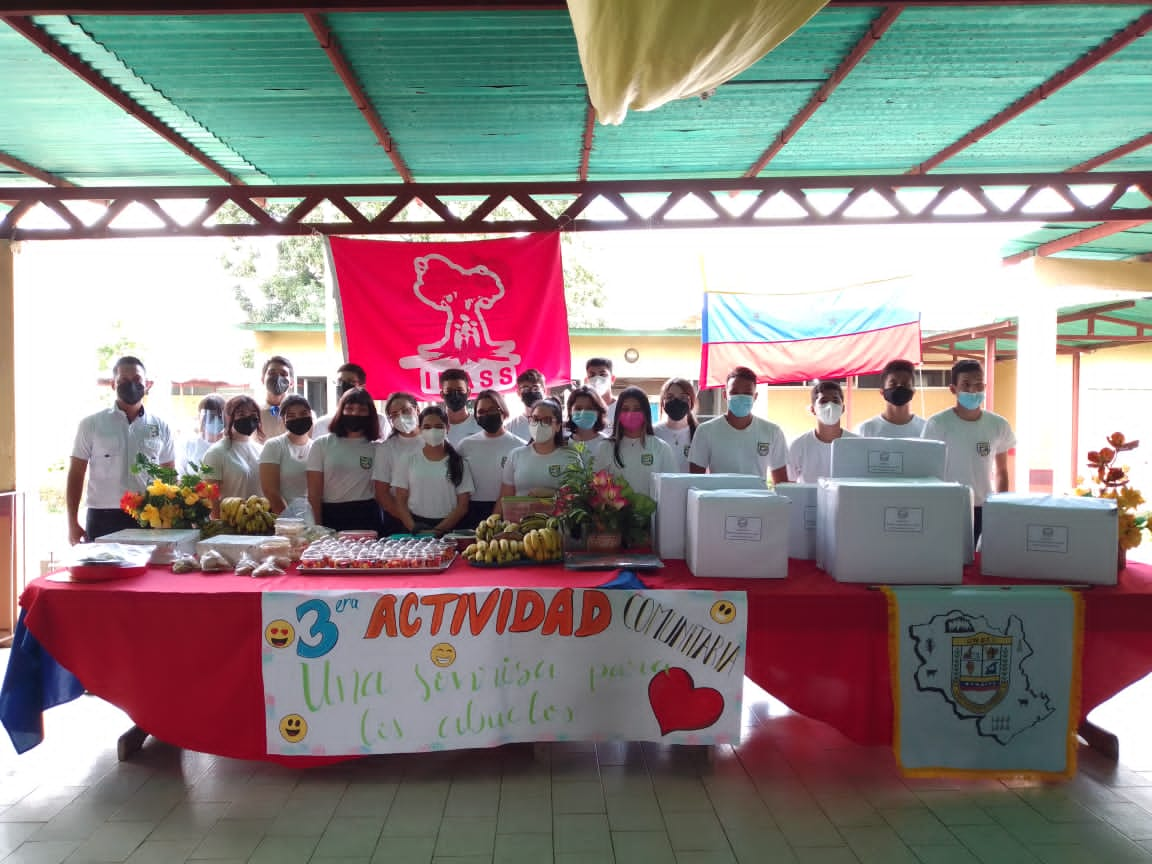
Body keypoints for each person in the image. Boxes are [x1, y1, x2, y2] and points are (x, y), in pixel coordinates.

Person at [67, 355, 175, 544]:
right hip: (102, 518)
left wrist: (174, 516)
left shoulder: (161, 427)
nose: (131, 385)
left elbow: (170, 475)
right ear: (113, 384)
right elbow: (76, 474)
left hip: (149, 516)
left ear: (148, 384)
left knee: (149, 573)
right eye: (124, 380)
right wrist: (72, 523)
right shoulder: (91, 424)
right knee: (102, 572)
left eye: (137, 380)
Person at [922, 359, 1015, 542]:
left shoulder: (998, 424)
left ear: (985, 386)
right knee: (950, 560)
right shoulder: (938, 424)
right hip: (948, 506)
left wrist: (1001, 506)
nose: (973, 390)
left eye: (978, 384)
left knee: (981, 562)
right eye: (966, 384)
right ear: (953, 389)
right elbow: (928, 470)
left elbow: (1002, 471)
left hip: (984, 507)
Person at [687, 366, 788, 483]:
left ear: (755, 397)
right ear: (725, 395)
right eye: (734, 392)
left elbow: (782, 484)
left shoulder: (772, 431)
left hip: (758, 500)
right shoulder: (705, 431)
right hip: (719, 500)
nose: (740, 397)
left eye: (747, 393)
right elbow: (695, 481)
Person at [306, 387, 383, 534]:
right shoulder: (322, 444)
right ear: (341, 411)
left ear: (370, 414)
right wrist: (317, 527)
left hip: (367, 516)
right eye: (350, 408)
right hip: (331, 514)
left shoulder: (377, 448)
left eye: (362, 409)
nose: (355, 413)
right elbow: (314, 493)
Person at [392, 405, 475, 535]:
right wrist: (414, 528)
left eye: (438, 426)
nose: (433, 431)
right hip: (415, 527)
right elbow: (400, 501)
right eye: (427, 427)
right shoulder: (407, 459)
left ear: (447, 428)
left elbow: (462, 507)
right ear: (420, 429)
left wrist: (436, 531)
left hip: (449, 528)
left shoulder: (459, 463)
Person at [458, 389, 525, 528]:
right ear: (476, 416)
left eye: (492, 409)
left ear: (503, 411)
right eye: (481, 412)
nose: (487, 414)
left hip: (507, 510)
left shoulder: (519, 446)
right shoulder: (465, 445)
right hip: (472, 511)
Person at [593, 386, 677, 497]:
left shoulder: (661, 448)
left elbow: (671, 489)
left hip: (652, 514)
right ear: (618, 413)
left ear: (646, 413)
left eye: (637, 409)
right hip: (615, 513)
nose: (630, 414)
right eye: (625, 409)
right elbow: (597, 488)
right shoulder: (605, 447)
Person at [497, 398, 575, 510]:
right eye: (535, 419)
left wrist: (552, 493)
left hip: (558, 524)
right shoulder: (516, 455)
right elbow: (505, 497)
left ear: (558, 426)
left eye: (546, 420)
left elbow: (577, 500)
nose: (539, 424)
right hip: (520, 523)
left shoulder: (570, 458)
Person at [374, 392, 426, 534]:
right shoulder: (386, 448)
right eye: (394, 414)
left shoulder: (436, 439)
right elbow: (382, 494)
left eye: (405, 410)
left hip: (436, 516)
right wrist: (409, 521)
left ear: (417, 410)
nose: (401, 417)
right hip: (399, 521)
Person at [787, 381, 858, 483]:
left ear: (843, 408)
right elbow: (789, 486)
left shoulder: (857, 444)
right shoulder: (798, 446)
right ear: (813, 409)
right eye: (823, 401)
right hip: (809, 499)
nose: (830, 405)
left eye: (835, 400)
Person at [201, 395, 264, 508]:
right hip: (230, 522)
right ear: (228, 418)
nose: (248, 418)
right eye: (241, 414)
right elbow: (210, 500)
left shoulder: (261, 450)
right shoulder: (215, 453)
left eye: (253, 414)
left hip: (260, 521)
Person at [259, 394, 314, 516]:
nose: (298, 418)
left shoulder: (317, 447)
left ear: (310, 414)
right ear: (283, 420)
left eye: (303, 413)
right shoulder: (274, 446)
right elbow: (271, 491)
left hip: (313, 518)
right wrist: (290, 520)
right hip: (285, 520)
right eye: (291, 415)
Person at [855, 359, 927, 439]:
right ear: (882, 391)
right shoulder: (866, 430)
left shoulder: (926, 429)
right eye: (893, 384)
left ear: (913, 392)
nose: (899, 387)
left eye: (905, 384)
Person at [653, 377, 698, 473]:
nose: (676, 401)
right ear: (662, 402)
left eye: (683, 397)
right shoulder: (653, 432)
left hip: (691, 488)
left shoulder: (700, 433)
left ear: (692, 402)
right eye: (670, 397)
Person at [313, 362, 366, 438]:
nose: (343, 385)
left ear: (362, 386)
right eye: (340, 381)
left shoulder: (379, 421)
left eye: (350, 381)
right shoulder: (322, 424)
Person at [177, 394, 225, 475]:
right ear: (201, 417)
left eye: (220, 416)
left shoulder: (232, 445)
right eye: (211, 416)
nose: (216, 420)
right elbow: (180, 474)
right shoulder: (188, 444)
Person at [440, 368, 480, 445]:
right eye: (449, 391)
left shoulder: (480, 424)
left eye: (460, 390)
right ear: (442, 394)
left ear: (468, 393)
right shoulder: (434, 427)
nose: (455, 395)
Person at [565, 386, 609, 456]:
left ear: (599, 412)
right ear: (570, 411)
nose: (583, 412)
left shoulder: (608, 444)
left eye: (590, 408)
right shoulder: (563, 444)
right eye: (578, 408)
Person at [259, 355, 295, 440]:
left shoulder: (303, 415)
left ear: (291, 383)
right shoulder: (254, 415)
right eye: (272, 373)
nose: (278, 377)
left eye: (283, 374)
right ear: (263, 379)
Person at [506, 368, 546, 441]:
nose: (531, 392)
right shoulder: (510, 427)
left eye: (535, 389)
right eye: (526, 389)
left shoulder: (555, 422)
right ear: (518, 393)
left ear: (544, 390)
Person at [585, 357, 618, 425]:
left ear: (612, 379)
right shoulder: (583, 409)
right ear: (586, 380)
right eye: (592, 375)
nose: (597, 379)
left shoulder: (621, 407)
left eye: (602, 375)